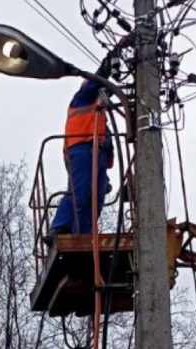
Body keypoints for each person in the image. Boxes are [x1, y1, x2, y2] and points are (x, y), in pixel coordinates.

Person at [43, 54, 116, 246]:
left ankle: (85, 235)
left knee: (95, 199)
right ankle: (61, 226)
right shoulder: (82, 98)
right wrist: (109, 62)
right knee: (81, 191)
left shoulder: (100, 116)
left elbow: (106, 142)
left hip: (95, 155)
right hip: (81, 148)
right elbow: (95, 82)